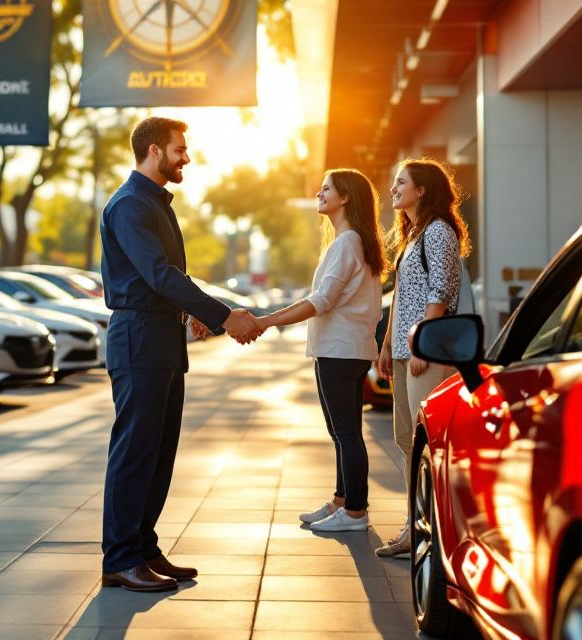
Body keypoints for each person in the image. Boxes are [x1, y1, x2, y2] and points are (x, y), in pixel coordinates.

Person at [98, 116, 263, 593]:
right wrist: (223, 315)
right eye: (179, 149)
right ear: (153, 151)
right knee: (135, 452)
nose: (185, 157)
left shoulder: (152, 202)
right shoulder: (131, 204)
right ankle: (121, 559)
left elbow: (167, 275)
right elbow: (159, 275)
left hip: (161, 340)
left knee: (159, 452)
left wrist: (192, 313)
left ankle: (143, 549)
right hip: (139, 339)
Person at [255, 169, 386, 532]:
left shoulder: (347, 243)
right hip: (348, 350)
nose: (319, 193)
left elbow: (321, 301)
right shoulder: (354, 241)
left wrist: (266, 322)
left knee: (346, 433)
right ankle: (342, 501)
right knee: (343, 431)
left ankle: (355, 512)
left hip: (341, 352)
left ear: (345, 197)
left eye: (327, 189)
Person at [374, 158, 470, 558]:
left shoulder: (438, 233)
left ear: (423, 189)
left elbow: (440, 292)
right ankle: (418, 523)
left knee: (425, 443)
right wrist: (385, 346)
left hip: (423, 353)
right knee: (405, 439)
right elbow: (401, 297)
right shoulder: (413, 233)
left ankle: (424, 529)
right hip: (401, 350)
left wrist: (420, 345)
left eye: (401, 182)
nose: (394, 188)